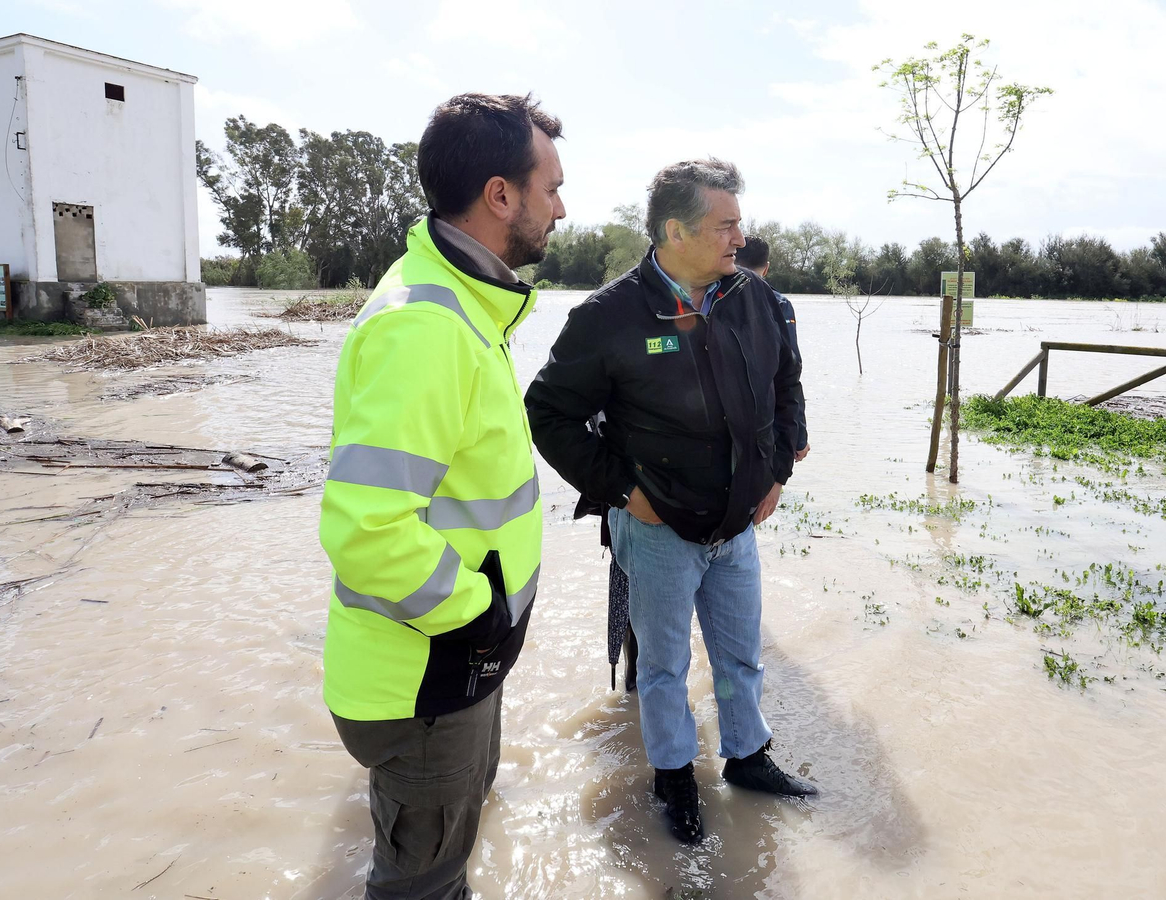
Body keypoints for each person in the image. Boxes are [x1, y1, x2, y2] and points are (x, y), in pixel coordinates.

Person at [526, 158, 815, 846]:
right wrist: (623, 491)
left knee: (741, 656)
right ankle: (675, 779)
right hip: (656, 532)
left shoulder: (757, 300)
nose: (739, 238)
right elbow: (548, 413)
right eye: (726, 225)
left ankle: (747, 759)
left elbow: (787, 385)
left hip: (738, 527)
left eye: (741, 224)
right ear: (674, 230)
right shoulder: (608, 316)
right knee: (662, 667)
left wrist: (776, 473)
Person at [319, 92, 565, 900]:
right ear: (501, 195)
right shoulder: (424, 325)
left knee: (441, 868)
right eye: (550, 188)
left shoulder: (465, 307)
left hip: (453, 665)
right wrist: (476, 615)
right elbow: (367, 530)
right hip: (427, 675)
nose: (561, 209)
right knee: (419, 887)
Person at [734, 235, 810, 462]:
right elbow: (791, 370)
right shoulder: (780, 304)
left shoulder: (709, 296)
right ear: (766, 269)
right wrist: (799, 436)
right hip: (768, 422)